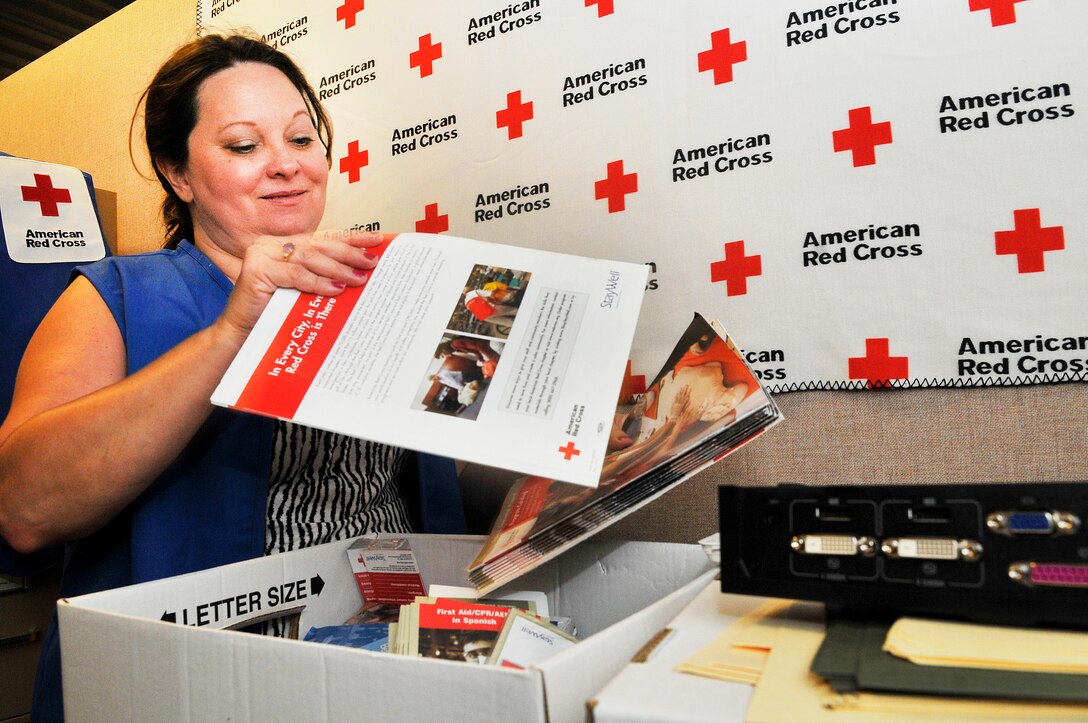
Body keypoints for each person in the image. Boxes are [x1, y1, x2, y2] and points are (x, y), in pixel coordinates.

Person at [0, 33, 463, 722]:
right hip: (205, 685)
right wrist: (233, 331)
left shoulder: (377, 289)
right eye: (244, 147)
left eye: (302, 139)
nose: (285, 166)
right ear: (178, 174)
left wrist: (568, 455)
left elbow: (426, 475)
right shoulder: (115, 296)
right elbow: (25, 508)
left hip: (379, 667)